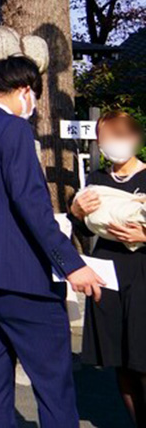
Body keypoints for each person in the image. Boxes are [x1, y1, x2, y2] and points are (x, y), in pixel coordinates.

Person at [0, 55, 105, 428]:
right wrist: (73, 264)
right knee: (53, 383)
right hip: (23, 278)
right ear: (25, 90)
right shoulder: (13, 131)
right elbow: (31, 202)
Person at [70, 111, 146, 426]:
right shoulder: (97, 180)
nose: (111, 144)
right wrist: (75, 212)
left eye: (118, 135)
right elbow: (86, 231)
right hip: (108, 274)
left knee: (142, 357)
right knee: (120, 360)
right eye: (105, 138)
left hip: (142, 273)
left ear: (135, 138)